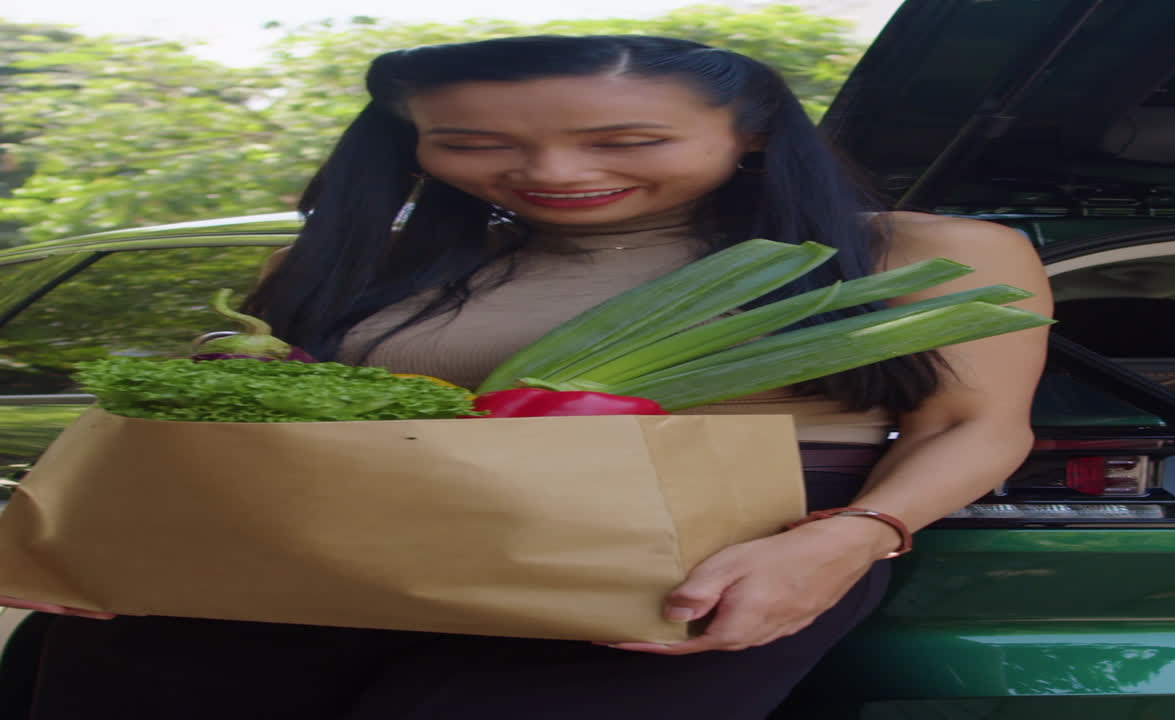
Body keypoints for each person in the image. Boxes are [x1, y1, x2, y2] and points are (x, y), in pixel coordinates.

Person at [4, 35, 1051, 719]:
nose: (550, 174)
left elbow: (974, 425)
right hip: (314, 554)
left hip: (694, 565)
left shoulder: (915, 250)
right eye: (469, 144)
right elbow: (227, 425)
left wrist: (845, 544)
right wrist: (97, 543)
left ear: (753, 131)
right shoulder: (348, 265)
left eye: (624, 139)